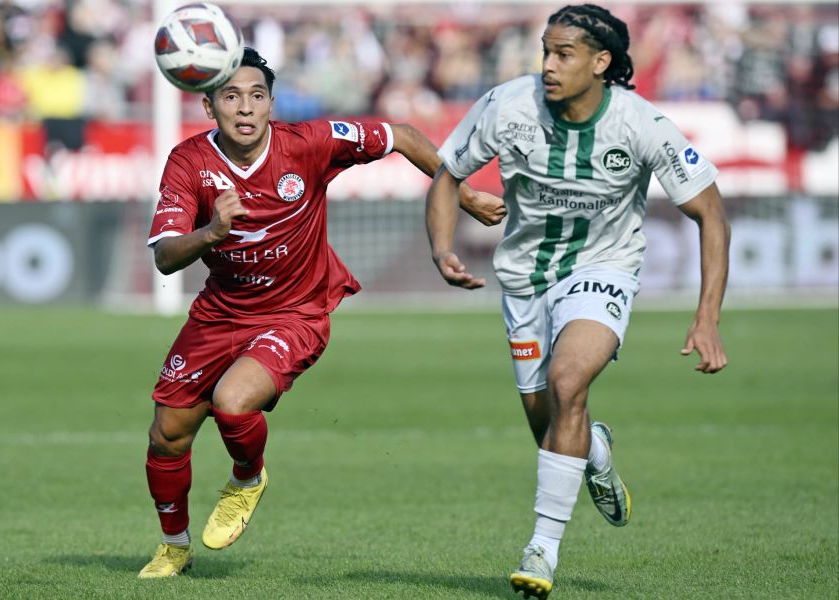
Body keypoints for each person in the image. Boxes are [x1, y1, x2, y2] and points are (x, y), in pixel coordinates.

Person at [138, 47, 505, 579]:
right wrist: (211, 232)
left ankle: (247, 478)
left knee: (233, 404)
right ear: (209, 105)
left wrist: (464, 193)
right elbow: (166, 257)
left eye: (257, 96)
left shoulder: (308, 143)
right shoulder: (189, 162)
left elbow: (400, 133)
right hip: (219, 313)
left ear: (271, 104)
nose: (245, 108)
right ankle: (174, 546)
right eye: (231, 96)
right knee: (167, 434)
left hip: (296, 312)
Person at [425, 5, 730, 598]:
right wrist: (442, 250)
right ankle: (595, 450)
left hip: (604, 269)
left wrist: (708, 316)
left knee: (569, 383)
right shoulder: (506, 106)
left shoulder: (641, 124)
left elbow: (710, 212)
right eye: (546, 51)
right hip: (524, 281)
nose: (548, 65)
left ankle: (541, 548)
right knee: (549, 424)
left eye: (564, 54)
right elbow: (446, 175)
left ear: (601, 62)